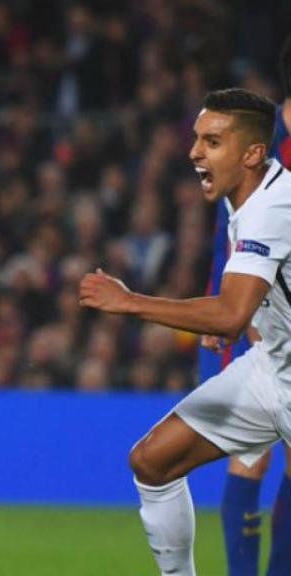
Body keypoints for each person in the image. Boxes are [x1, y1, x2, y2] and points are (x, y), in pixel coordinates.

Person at [79, 87, 291, 576]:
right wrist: (242, 318)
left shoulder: (271, 209)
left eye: (213, 141)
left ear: (254, 153)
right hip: (272, 371)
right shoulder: (252, 200)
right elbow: (245, 306)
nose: (195, 151)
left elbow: (230, 314)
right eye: (196, 138)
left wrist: (130, 302)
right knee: (153, 462)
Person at [200, 40, 291, 575]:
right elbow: (231, 239)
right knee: (251, 457)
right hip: (255, 319)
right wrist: (240, 320)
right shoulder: (258, 140)